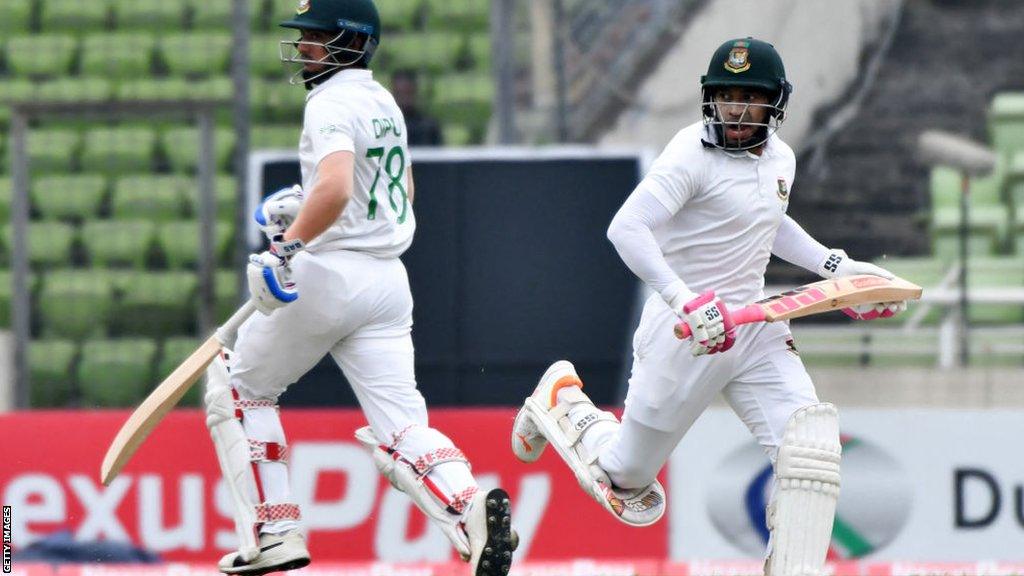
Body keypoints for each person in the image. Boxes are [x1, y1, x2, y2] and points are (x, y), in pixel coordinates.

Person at [510, 37, 907, 574]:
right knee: (626, 481)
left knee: (808, 450)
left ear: (777, 104)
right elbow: (625, 228)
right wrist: (685, 301)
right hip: (684, 333)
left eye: (751, 98)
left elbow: (767, 219)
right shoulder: (689, 153)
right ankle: (564, 403)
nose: (737, 110)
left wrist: (836, 267)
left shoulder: (780, 158)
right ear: (709, 99)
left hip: (755, 328)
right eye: (726, 97)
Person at [203, 1, 516, 574]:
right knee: (401, 428)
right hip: (388, 284)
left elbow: (338, 188)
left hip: (330, 275)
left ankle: (274, 531)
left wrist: (285, 247)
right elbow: (399, 193)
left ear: (348, 41)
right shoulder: (381, 100)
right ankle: (470, 511)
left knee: (236, 387)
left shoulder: (329, 101)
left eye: (314, 37)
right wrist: (306, 207)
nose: (302, 48)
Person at [391, 69, 443, 146]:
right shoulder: (385, 127)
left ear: (415, 92)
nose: (405, 98)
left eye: (408, 92)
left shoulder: (429, 127)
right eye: (400, 94)